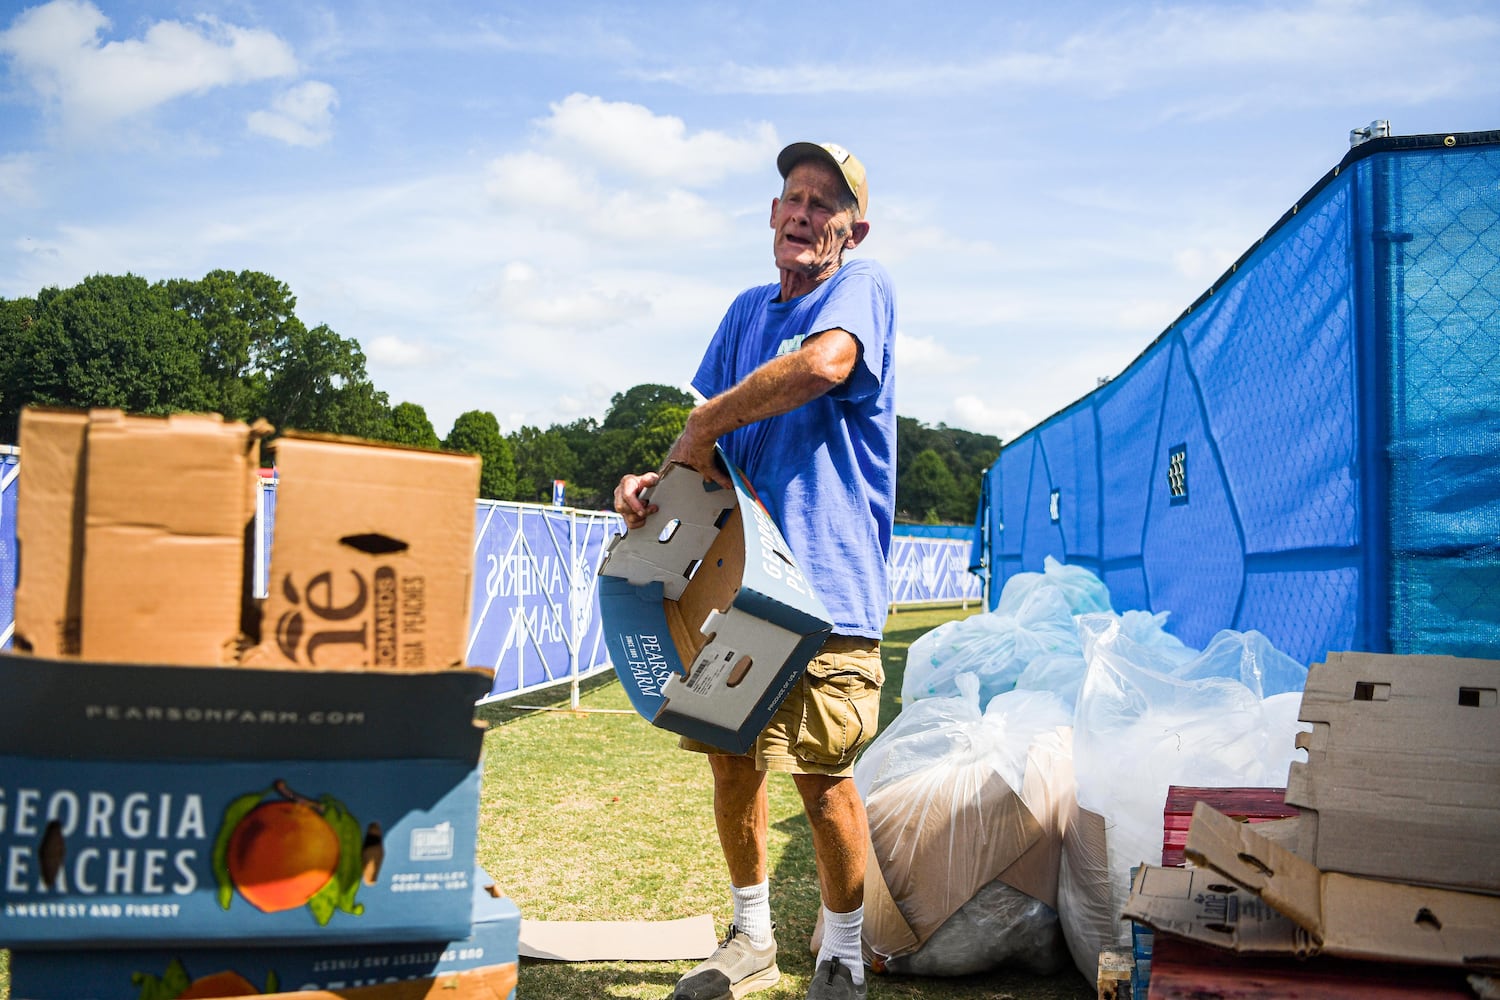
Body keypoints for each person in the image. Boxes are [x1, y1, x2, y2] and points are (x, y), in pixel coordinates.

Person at [613, 141, 896, 1000]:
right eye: (792, 198)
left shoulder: (864, 286)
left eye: (824, 203)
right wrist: (650, 488)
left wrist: (703, 431)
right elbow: (701, 439)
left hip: (830, 586)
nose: (804, 213)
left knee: (824, 781)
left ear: (853, 229)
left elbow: (823, 364)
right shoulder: (743, 310)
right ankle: (752, 941)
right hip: (736, 588)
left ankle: (842, 955)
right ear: (772, 216)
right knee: (733, 767)